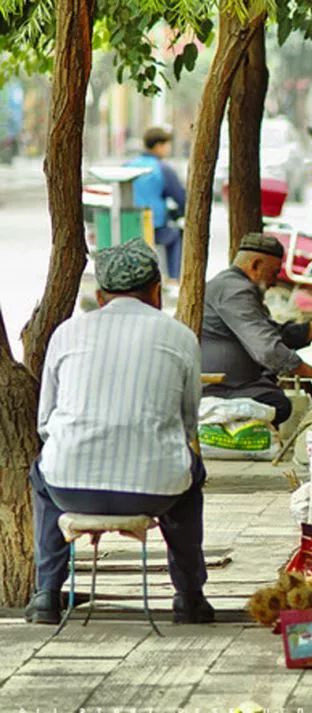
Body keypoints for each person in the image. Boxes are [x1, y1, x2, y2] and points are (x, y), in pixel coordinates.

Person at [26, 240, 213, 625]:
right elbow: (188, 423)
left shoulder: (67, 332)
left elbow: (46, 422)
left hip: (69, 485)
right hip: (156, 491)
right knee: (191, 477)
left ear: (99, 296)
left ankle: (46, 593)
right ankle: (189, 597)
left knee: (42, 474)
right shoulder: (180, 336)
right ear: (157, 292)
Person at [201, 233, 312, 426]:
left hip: (231, 381)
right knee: (278, 404)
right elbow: (268, 349)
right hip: (217, 385)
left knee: (274, 394)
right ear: (255, 265)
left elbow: (277, 335)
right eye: (273, 273)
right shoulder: (235, 290)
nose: (274, 282)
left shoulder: (234, 286)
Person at [127, 127, 186, 286]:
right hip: (153, 226)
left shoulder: (128, 165)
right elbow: (180, 197)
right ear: (159, 146)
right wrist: (181, 212)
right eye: (167, 145)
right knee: (175, 235)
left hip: (127, 224)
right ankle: (173, 279)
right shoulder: (163, 169)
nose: (168, 149)